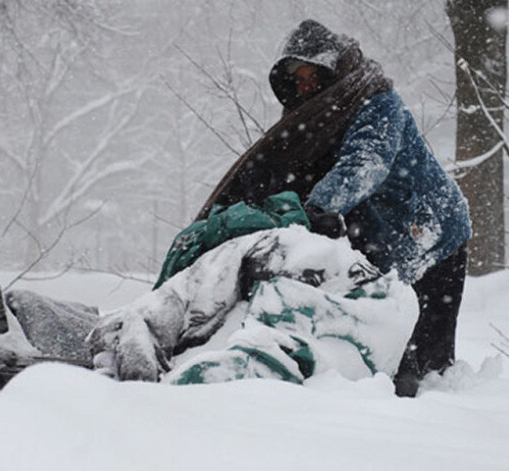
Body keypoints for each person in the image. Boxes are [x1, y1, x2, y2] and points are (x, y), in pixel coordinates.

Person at [196, 19, 471, 397]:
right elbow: (281, 175)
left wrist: (315, 208)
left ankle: (433, 410)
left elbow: (364, 164)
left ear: (334, 70)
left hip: (432, 235)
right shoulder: (312, 123)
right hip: (375, 232)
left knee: (424, 364)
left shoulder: (376, 102)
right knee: (387, 339)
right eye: (298, 79)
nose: (306, 85)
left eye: (313, 74)